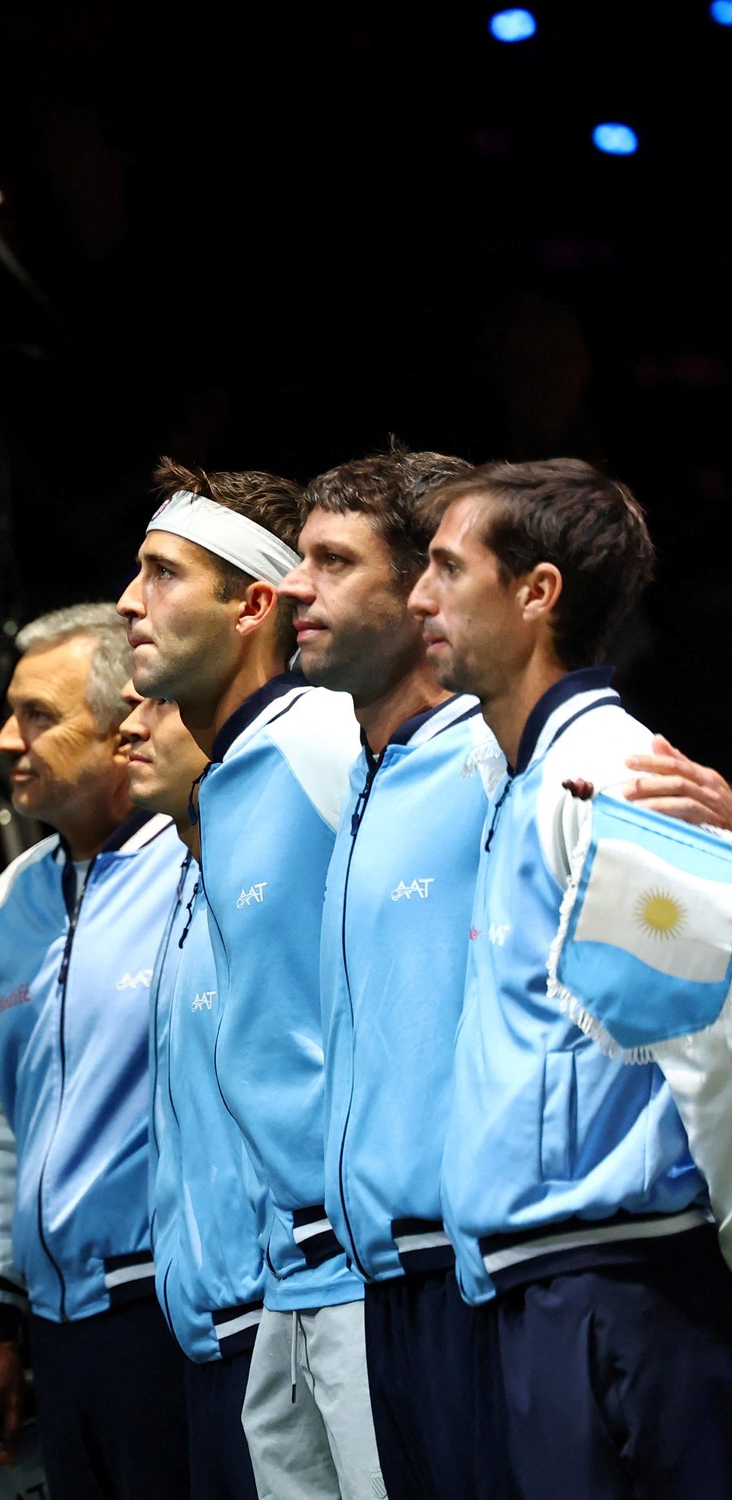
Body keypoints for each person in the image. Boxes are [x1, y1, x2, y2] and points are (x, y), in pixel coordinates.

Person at [407, 459, 732, 1497]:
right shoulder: (524, 779)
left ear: (535, 592)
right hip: (554, 1285)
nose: (419, 596)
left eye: (446, 569)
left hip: (626, 1295)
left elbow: (710, 1034)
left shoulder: (611, 775)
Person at [117, 460, 384, 1500]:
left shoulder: (320, 742)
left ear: (251, 605)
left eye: (162, 573)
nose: (130, 602)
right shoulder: (228, 782)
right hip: (287, 1280)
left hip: (360, 1271)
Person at [275, 447, 518, 1500]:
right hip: (384, 1280)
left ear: (420, 590)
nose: (293, 587)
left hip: (478, 1279)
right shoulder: (366, 779)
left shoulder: (491, 763)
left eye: (331, 563)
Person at [0, 604, 192, 1499]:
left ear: (124, 720)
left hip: (170, 1312)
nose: (9, 742)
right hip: (55, 1331)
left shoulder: (194, 863)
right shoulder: (11, 899)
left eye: (39, 718)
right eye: (8, 716)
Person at [122, 683, 267, 1500]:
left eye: (161, 703)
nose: (131, 727)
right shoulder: (180, 877)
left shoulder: (280, 850)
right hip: (204, 1330)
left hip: (281, 1310)